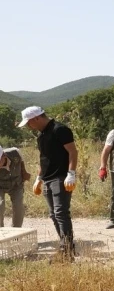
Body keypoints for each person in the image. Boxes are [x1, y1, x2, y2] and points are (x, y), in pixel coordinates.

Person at [18, 106, 78, 260]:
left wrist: (71, 174)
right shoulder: (41, 136)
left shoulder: (60, 130)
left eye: (29, 123)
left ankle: (67, 250)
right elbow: (43, 159)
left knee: (61, 213)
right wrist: (39, 179)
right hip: (47, 179)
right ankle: (64, 245)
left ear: (37, 118)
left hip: (61, 177)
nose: (29, 127)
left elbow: (72, 151)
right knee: (53, 215)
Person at [0, 144, 31, 227]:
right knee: (0, 205)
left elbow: (21, 161)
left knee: (18, 207)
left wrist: (24, 172)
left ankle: (16, 231)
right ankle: (1, 233)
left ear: (3, 155)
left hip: (16, 184)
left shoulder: (15, 152)